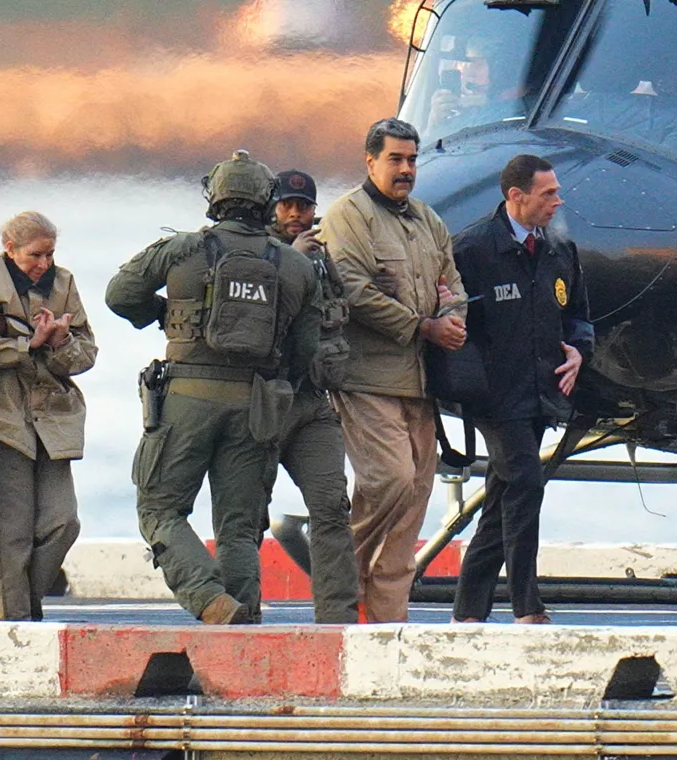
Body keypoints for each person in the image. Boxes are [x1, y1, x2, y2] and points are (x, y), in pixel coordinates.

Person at [106, 150, 321, 625]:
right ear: (266, 201)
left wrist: (167, 316)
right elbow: (307, 350)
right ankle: (242, 621)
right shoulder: (296, 266)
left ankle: (208, 597)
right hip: (256, 403)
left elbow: (119, 294)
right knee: (240, 529)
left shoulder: (182, 250)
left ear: (215, 197)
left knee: (159, 509)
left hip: (186, 397)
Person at [321, 118, 467, 623]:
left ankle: (388, 624)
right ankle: (341, 584)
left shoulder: (428, 221)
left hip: (421, 382)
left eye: (411, 160)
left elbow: (455, 287)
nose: (406, 170)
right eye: (395, 160)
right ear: (370, 161)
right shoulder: (348, 217)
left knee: (414, 502)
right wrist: (423, 325)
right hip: (366, 377)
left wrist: (451, 320)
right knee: (391, 480)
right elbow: (354, 290)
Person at [450, 154, 593, 625]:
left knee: (503, 496)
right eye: (548, 193)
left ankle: (468, 611)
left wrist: (577, 350)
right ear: (516, 196)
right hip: (494, 397)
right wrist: (471, 384)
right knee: (527, 484)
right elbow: (456, 325)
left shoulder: (559, 248)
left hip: (539, 394)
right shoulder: (472, 250)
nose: (558, 200)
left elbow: (576, 315)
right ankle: (527, 607)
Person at [0, 211, 97, 621]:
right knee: (11, 534)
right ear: (10, 247)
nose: (44, 264)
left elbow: (87, 351)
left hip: (53, 418)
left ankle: (26, 606)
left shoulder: (64, 283)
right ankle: (11, 623)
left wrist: (58, 342)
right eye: (35, 255)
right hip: (0, 418)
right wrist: (27, 344)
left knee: (64, 523)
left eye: (50, 255)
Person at [262, 169, 359, 624]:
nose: (297, 214)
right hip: (263, 400)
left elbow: (337, 313)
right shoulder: (256, 254)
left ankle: (338, 618)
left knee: (331, 506)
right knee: (244, 511)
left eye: (305, 205)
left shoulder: (321, 257)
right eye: (287, 205)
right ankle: (237, 614)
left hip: (312, 399)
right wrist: (291, 262)